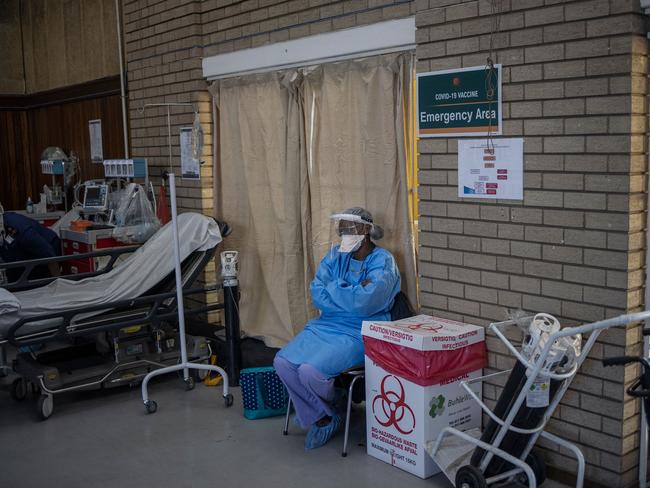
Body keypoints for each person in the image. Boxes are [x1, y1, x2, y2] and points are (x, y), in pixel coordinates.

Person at [274, 207, 400, 450]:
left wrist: (336, 288)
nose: (342, 232)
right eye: (340, 228)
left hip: (361, 330)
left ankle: (332, 406)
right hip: (326, 325)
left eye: (348, 228)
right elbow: (317, 294)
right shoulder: (335, 255)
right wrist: (351, 288)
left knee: (310, 372)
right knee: (283, 363)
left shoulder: (383, 261)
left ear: (365, 230)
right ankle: (325, 415)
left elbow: (367, 303)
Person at [0, 210, 62, 281]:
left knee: (29, 284)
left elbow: (49, 254)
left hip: (47, 252)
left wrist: (58, 283)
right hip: (20, 253)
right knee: (13, 278)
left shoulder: (19, 228)